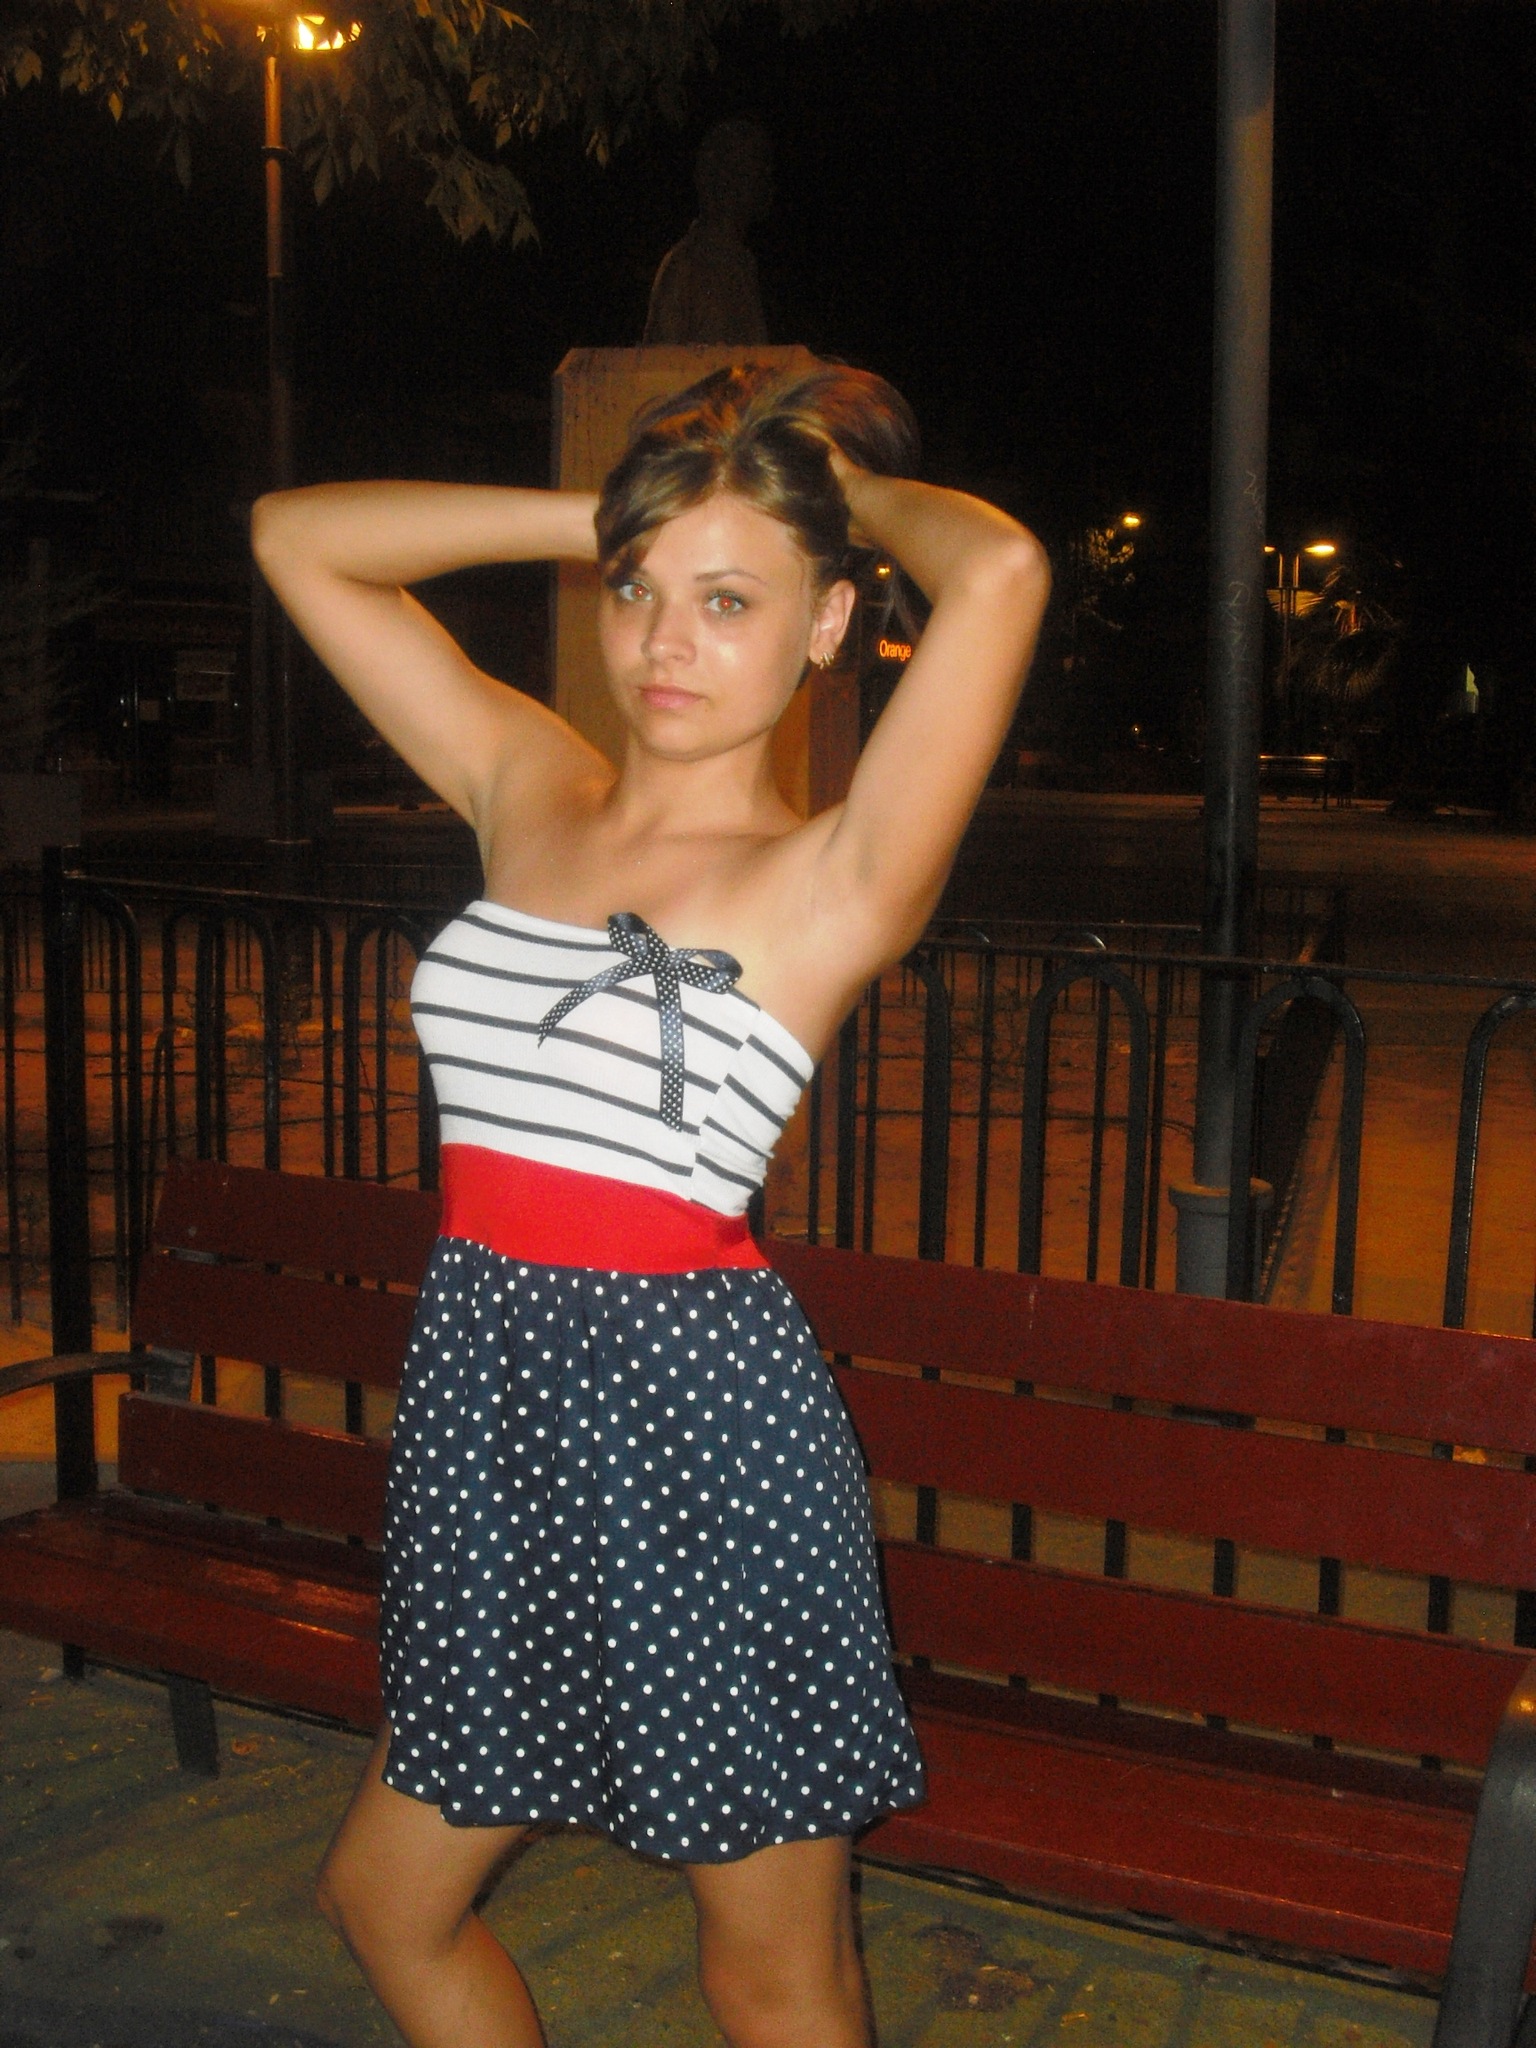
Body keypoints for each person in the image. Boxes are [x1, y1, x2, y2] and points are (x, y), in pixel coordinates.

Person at [250, 361, 1049, 2048]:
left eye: (731, 602)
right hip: (493, 1419)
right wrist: (632, 514)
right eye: (637, 594)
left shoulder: (833, 878)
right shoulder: (526, 783)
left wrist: (813, 488)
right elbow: (297, 538)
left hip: (702, 1442)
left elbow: (997, 571)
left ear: (828, 623)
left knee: (768, 1974)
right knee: (386, 1902)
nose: (664, 643)